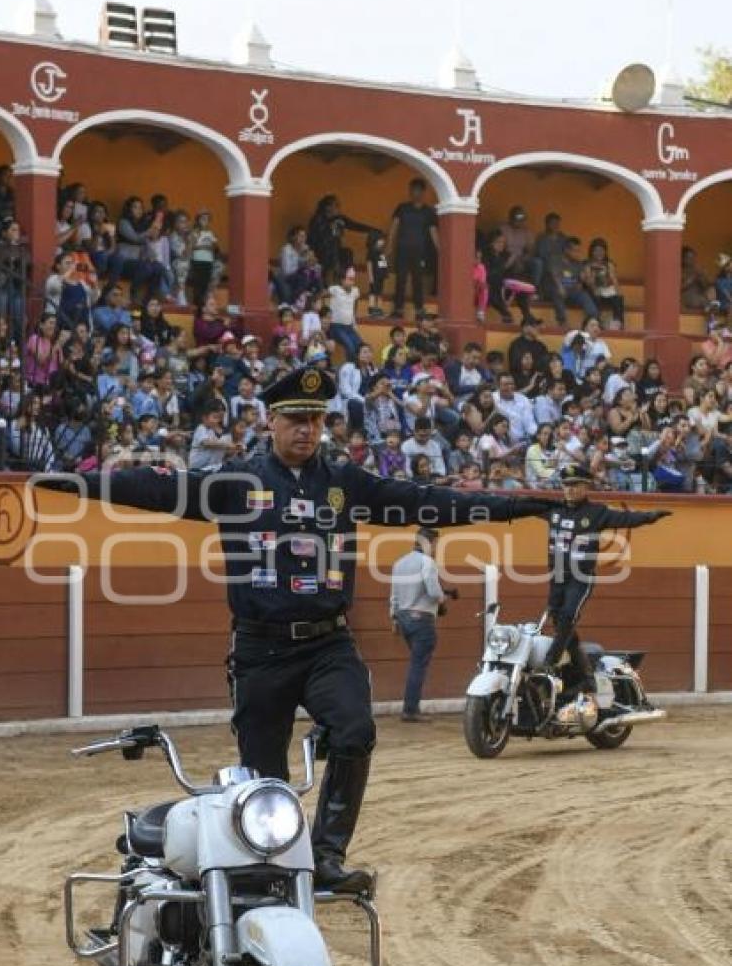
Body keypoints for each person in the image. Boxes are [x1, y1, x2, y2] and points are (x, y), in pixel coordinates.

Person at [63, 363, 552, 892]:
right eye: (296, 419)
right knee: (264, 775)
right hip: (260, 649)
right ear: (270, 420)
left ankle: (326, 856)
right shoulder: (237, 482)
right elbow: (158, 488)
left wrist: (512, 508)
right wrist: (81, 483)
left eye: (316, 420)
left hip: (327, 642)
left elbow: (423, 500)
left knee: (355, 732)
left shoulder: (344, 482)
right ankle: (272, 866)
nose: (307, 430)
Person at [539, 465, 671, 695]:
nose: (570, 490)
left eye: (575, 485)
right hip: (557, 577)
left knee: (568, 615)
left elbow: (626, 518)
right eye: (566, 485)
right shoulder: (552, 510)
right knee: (559, 621)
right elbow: (518, 507)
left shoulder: (596, 512)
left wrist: (649, 517)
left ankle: (549, 663)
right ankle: (584, 675)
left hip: (580, 578)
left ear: (586, 486)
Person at [390, 526, 459, 721]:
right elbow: (434, 592)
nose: (436, 548)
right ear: (428, 542)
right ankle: (410, 710)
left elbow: (394, 596)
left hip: (403, 618)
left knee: (416, 663)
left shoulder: (399, 563)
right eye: (436, 543)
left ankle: (411, 707)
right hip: (421, 620)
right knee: (418, 665)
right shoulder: (427, 562)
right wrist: (444, 599)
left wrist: (394, 618)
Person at [388, 178, 439, 316]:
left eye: (417, 190)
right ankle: (398, 310)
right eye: (412, 190)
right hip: (402, 249)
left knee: (418, 280)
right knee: (401, 279)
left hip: (420, 251)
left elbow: (433, 231)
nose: (414, 193)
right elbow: (394, 227)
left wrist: (440, 250)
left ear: (423, 192)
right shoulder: (402, 208)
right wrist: (389, 246)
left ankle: (419, 310)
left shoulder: (428, 212)